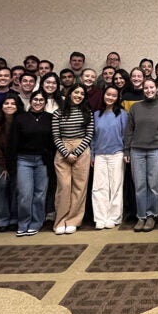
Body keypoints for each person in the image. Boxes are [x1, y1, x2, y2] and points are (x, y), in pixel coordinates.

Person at [125, 80, 158, 232]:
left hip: (155, 150)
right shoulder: (135, 107)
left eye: (152, 87)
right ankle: (141, 216)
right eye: (146, 88)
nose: (149, 90)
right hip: (136, 150)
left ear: (157, 89)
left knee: (154, 185)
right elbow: (129, 131)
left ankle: (152, 215)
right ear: (142, 90)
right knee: (139, 185)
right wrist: (126, 150)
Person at [8, 91, 53, 236]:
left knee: (40, 194)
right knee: (24, 194)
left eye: (41, 100)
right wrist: (11, 164)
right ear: (31, 101)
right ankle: (23, 223)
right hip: (23, 160)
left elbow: (53, 142)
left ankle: (37, 222)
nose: (38, 102)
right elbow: (12, 142)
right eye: (35, 100)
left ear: (45, 103)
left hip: (43, 161)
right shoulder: (20, 119)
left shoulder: (50, 118)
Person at [51, 84, 94, 235]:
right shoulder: (58, 113)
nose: (79, 95)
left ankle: (73, 221)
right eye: (76, 92)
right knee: (64, 186)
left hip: (81, 148)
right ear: (69, 93)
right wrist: (66, 153)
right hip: (62, 149)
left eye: (82, 93)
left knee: (79, 188)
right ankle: (60, 220)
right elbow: (56, 136)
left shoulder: (87, 112)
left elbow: (89, 134)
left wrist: (76, 152)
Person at [90, 86, 127, 230]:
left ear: (117, 98)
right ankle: (100, 217)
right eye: (108, 94)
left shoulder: (122, 114)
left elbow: (126, 136)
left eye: (114, 95)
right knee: (99, 187)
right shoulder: (96, 114)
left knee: (116, 186)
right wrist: (92, 154)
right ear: (103, 95)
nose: (110, 97)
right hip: (99, 154)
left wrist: (126, 152)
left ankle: (113, 217)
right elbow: (92, 137)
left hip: (117, 153)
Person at [0, 95, 23, 232]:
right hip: (1, 162)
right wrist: (4, 165)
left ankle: (14, 218)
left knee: (17, 188)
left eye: (13, 103)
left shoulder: (22, 120)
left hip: (19, 160)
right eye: (6, 103)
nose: (9, 106)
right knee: (3, 186)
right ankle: (2, 219)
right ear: (2, 106)